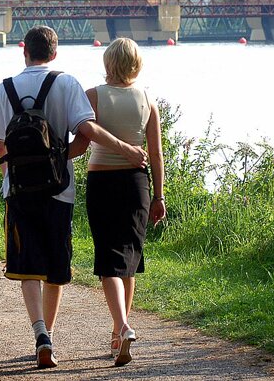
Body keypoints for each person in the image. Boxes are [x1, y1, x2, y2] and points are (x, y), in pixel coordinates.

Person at [0, 26, 147, 369]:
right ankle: (50, 332)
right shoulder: (66, 83)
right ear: (55, 53)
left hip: (19, 190)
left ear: (24, 51)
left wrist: (11, 177)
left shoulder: (5, 88)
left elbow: (1, 144)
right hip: (59, 190)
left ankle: (41, 334)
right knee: (56, 266)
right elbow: (85, 133)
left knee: (27, 265)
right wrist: (62, 159)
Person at [81, 37, 166, 366]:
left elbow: (81, 139)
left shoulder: (93, 96)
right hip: (137, 185)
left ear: (108, 63)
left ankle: (122, 326)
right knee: (129, 260)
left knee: (108, 261)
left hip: (102, 182)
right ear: (136, 64)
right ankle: (118, 336)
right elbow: (156, 154)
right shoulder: (147, 99)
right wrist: (159, 196)